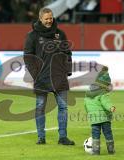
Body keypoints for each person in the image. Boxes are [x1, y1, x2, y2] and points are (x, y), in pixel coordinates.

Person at [23, 8, 74, 145]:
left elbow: (67, 53)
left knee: (63, 107)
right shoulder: (32, 35)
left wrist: (67, 71)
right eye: (46, 18)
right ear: (40, 18)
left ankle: (63, 137)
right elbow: (28, 57)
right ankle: (41, 137)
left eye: (51, 18)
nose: (49, 21)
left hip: (59, 77)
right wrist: (35, 74)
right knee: (40, 107)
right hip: (42, 78)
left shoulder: (60, 34)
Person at [84, 66, 116, 155]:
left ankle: (96, 151)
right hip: (104, 118)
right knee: (108, 133)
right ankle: (111, 150)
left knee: (95, 135)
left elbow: (85, 105)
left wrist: (89, 113)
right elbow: (105, 102)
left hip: (94, 119)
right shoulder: (103, 93)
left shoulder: (88, 94)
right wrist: (111, 107)